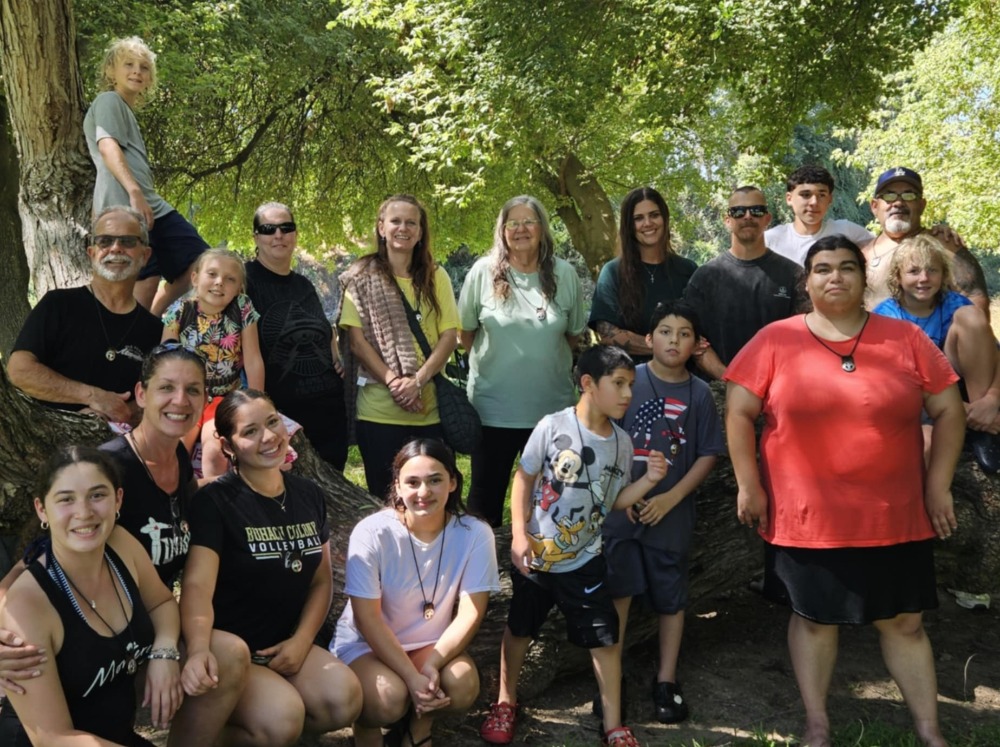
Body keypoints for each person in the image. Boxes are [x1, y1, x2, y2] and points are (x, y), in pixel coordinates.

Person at [725, 234, 964, 747]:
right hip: (807, 518)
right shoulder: (775, 340)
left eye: (847, 267)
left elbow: (949, 410)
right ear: (807, 282)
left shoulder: (905, 339)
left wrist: (938, 485)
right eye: (823, 268)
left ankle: (930, 731)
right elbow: (739, 412)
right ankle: (817, 724)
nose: (836, 277)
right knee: (814, 620)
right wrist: (749, 484)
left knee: (905, 623)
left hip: (894, 514)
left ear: (864, 277)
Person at [479, 346, 668, 747]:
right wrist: (518, 535)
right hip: (537, 558)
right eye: (618, 384)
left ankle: (613, 724)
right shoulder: (552, 426)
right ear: (587, 383)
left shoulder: (622, 443)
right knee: (520, 629)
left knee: (605, 639)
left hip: (586, 561)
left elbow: (612, 500)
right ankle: (505, 702)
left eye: (631, 385)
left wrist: (649, 481)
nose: (627, 394)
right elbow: (523, 479)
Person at [179, 389, 362, 746]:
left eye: (273, 422)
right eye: (250, 431)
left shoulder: (309, 494)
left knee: (343, 700)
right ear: (227, 445)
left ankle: (264, 728)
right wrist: (199, 648)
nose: (269, 437)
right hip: (230, 650)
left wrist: (302, 641)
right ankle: (212, 733)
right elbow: (197, 586)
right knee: (282, 719)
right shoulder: (215, 501)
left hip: (282, 642)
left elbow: (321, 580)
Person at [0, 446, 183, 745]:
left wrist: (164, 652)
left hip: (116, 735)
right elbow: (53, 738)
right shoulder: (29, 603)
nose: (84, 512)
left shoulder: (121, 544)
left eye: (97, 495)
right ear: (41, 509)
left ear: (118, 499)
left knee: (216, 656)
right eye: (66, 499)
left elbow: (161, 602)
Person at [603, 300, 724, 724]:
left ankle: (666, 679)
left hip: (672, 514)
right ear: (649, 338)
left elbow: (708, 454)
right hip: (620, 510)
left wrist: (671, 498)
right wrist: (623, 494)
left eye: (684, 334)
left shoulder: (700, 393)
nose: (674, 340)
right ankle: (610, 680)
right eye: (666, 332)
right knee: (618, 593)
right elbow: (603, 436)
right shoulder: (628, 380)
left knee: (671, 599)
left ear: (697, 344)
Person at [333, 438, 499, 747]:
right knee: (388, 699)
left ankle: (419, 731)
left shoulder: (475, 533)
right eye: (412, 482)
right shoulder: (372, 532)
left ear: (452, 482)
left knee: (462, 684)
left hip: (428, 643)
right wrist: (412, 678)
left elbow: (471, 613)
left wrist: (431, 665)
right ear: (397, 486)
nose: (424, 492)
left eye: (435, 480)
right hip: (367, 644)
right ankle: (367, 727)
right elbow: (367, 619)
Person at [458, 195, 586, 527]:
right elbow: (465, 334)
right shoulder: (482, 273)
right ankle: (483, 561)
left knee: (551, 507)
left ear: (542, 228)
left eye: (529, 221)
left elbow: (572, 335)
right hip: (493, 412)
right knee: (483, 509)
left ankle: (541, 561)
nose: (521, 229)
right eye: (512, 223)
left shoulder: (565, 274)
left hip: (552, 414)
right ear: (502, 231)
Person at [338, 194, 459, 499]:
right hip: (378, 414)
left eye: (411, 223)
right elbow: (357, 342)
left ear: (420, 232)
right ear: (381, 227)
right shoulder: (360, 277)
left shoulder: (437, 276)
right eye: (395, 221)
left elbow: (448, 336)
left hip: (430, 412)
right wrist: (395, 383)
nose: (403, 228)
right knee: (386, 500)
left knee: (434, 498)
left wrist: (417, 381)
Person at [83, 36, 209, 316]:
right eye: (128, 64)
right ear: (110, 71)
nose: (137, 72)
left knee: (202, 259)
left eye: (144, 67)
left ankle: (151, 318)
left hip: (150, 205)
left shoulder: (126, 111)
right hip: (124, 206)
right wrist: (134, 192)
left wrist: (141, 196)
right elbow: (107, 146)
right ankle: (134, 331)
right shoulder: (108, 100)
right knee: (145, 278)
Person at [7, 206, 163, 426]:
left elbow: (158, 394)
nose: (115, 248)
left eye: (128, 241)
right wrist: (92, 396)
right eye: (105, 241)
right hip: (43, 437)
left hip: (117, 444)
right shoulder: (58, 304)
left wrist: (123, 412)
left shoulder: (155, 331)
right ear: (92, 253)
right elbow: (19, 371)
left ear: (145, 255)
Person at [873, 234, 1000, 470]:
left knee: (971, 317)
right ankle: (975, 421)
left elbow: (994, 352)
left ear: (943, 275)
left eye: (932, 270)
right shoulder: (886, 316)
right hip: (919, 396)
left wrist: (992, 400)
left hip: (962, 384)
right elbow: (897, 382)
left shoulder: (956, 304)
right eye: (914, 271)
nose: (924, 278)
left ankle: (983, 427)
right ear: (898, 276)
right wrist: (960, 410)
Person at [245, 201, 349, 471]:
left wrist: (335, 354)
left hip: (330, 414)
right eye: (268, 229)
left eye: (286, 227)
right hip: (284, 420)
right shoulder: (244, 281)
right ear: (256, 236)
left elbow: (321, 328)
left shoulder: (303, 284)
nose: (278, 235)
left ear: (295, 234)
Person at [162, 248, 265, 480]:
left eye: (230, 279)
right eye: (212, 274)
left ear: (239, 288)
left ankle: (214, 496)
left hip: (224, 396)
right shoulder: (179, 311)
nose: (219, 282)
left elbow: (253, 358)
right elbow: (165, 362)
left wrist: (257, 402)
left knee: (214, 451)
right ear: (195, 278)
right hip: (187, 395)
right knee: (176, 449)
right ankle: (176, 496)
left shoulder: (242, 307)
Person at [683, 187, 800, 379]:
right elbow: (695, 342)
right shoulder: (704, 278)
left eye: (756, 210)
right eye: (738, 211)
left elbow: (805, 339)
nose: (747, 216)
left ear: (767, 218)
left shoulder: (794, 275)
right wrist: (732, 380)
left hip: (778, 386)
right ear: (727, 220)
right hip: (721, 387)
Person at [863, 167, 989, 318]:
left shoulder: (944, 245)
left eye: (909, 195)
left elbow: (975, 301)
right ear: (875, 206)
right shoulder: (860, 252)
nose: (898, 202)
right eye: (889, 196)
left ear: (922, 205)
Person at [590, 187, 698, 360]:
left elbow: (700, 332)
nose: (647, 223)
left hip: (683, 374)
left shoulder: (688, 270)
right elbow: (608, 335)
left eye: (654, 215)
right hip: (630, 375)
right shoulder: (612, 272)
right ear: (628, 226)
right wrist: (668, 347)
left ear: (665, 218)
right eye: (638, 218)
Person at [765, 165, 874, 265]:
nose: (814, 202)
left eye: (821, 195)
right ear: (789, 199)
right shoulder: (771, 240)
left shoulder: (846, 231)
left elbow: (880, 248)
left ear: (830, 199)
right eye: (806, 195)